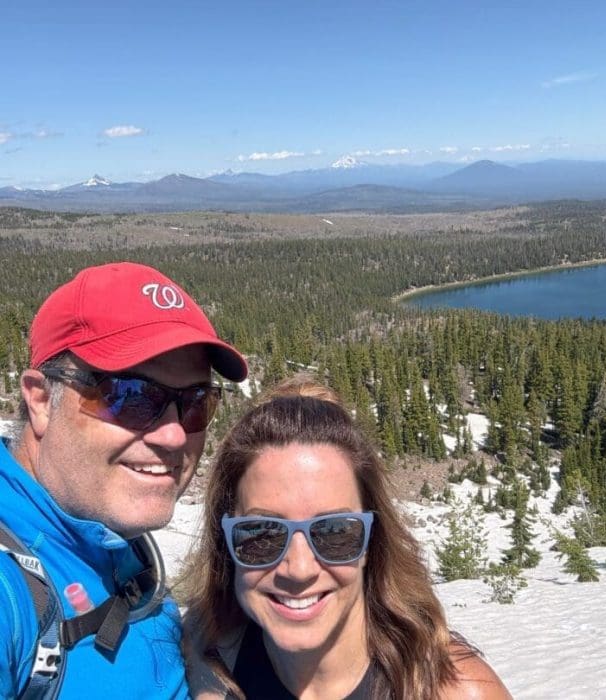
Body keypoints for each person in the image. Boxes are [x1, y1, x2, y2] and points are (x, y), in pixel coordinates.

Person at [0, 261, 247, 698]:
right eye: (131, 396)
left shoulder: (107, 536)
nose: (174, 435)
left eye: (194, 403)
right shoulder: (12, 594)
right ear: (40, 400)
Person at [183, 376, 512, 700]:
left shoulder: (453, 690)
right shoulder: (202, 658)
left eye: (334, 532)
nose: (299, 570)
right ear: (225, 541)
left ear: (372, 540)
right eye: (261, 535)